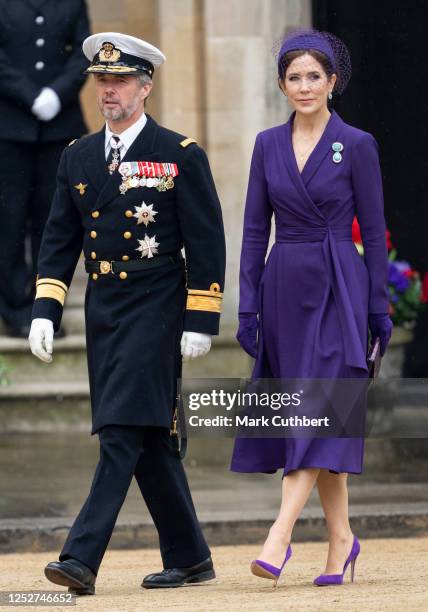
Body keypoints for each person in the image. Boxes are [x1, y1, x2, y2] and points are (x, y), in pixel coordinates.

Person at [28, 32, 225, 596]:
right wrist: (46, 307)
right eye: (101, 82)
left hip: (158, 309)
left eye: (119, 82)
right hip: (104, 312)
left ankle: (80, 559)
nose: (108, 92)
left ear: (145, 86)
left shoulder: (179, 153)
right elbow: (58, 238)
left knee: (119, 430)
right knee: (150, 438)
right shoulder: (77, 155)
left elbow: (207, 241)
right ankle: (190, 557)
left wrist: (201, 318)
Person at [231, 29, 393, 587]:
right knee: (322, 415)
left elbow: (373, 234)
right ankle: (342, 540)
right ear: (282, 84)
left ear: (333, 81)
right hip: (283, 291)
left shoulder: (359, 143)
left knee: (316, 411)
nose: (304, 86)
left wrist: (378, 308)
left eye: (314, 77)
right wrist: (247, 306)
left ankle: (279, 536)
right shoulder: (266, 145)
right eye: (294, 77)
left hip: (338, 289)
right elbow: (254, 232)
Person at [0, 0, 90, 337]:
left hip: (59, 127)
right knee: (8, 221)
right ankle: (15, 310)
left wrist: (57, 92)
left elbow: (84, 52)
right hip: (8, 128)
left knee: (54, 221)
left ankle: (47, 309)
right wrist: (29, 94)